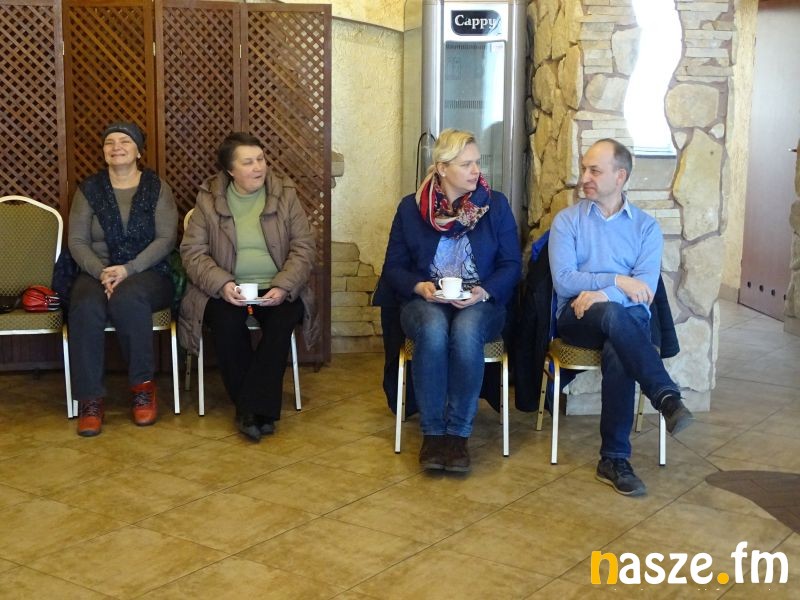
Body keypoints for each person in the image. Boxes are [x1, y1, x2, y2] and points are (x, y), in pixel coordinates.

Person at [548, 138, 694, 497]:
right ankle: (666, 396)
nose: (584, 177)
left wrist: (602, 293)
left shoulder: (646, 228)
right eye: (584, 168)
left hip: (625, 319)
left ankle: (613, 460)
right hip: (577, 317)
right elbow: (564, 280)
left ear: (620, 176)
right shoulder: (567, 221)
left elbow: (643, 291)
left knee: (618, 344)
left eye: (594, 171)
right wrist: (616, 281)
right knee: (616, 313)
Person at [382, 128, 521, 472]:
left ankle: (458, 435)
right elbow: (393, 268)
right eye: (466, 164)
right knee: (432, 328)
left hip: (481, 300)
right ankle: (432, 434)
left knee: (466, 330)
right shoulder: (411, 208)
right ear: (442, 168)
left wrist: (483, 291)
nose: (476, 170)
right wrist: (419, 287)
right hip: (425, 299)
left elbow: (511, 265)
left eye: (477, 162)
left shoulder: (495, 205)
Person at [179, 132, 318, 442]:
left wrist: (283, 286)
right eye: (248, 162)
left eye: (261, 159)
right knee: (226, 324)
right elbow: (192, 253)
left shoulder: (285, 194)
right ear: (230, 170)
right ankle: (259, 410)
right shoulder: (208, 199)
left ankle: (249, 409)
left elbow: (304, 247)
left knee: (282, 322)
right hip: (227, 288)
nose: (258, 167)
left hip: (277, 287)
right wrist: (223, 284)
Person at [68, 122, 178, 437]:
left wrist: (127, 269)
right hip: (97, 271)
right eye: (110, 142)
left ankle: (143, 389)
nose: (116, 147)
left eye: (125, 141)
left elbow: (166, 239)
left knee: (129, 297)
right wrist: (101, 271)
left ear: (139, 151)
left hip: (147, 272)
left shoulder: (157, 188)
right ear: (104, 151)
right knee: (85, 304)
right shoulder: (89, 189)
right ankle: (90, 400)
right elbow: (77, 240)